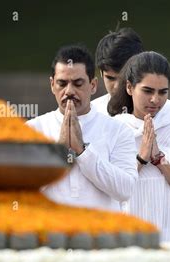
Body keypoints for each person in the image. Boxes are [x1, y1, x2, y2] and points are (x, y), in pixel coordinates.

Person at [94, 28, 170, 241]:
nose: (117, 86)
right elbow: (101, 190)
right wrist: (140, 158)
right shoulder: (96, 119)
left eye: (161, 92)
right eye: (111, 78)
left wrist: (159, 159)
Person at [26, 44, 137, 211]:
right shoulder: (33, 129)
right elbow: (23, 189)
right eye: (62, 83)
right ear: (52, 85)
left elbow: (125, 190)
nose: (69, 91)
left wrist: (83, 152)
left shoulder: (118, 130)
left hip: (102, 233)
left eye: (78, 83)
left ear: (93, 85)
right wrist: (60, 154)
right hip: (50, 233)